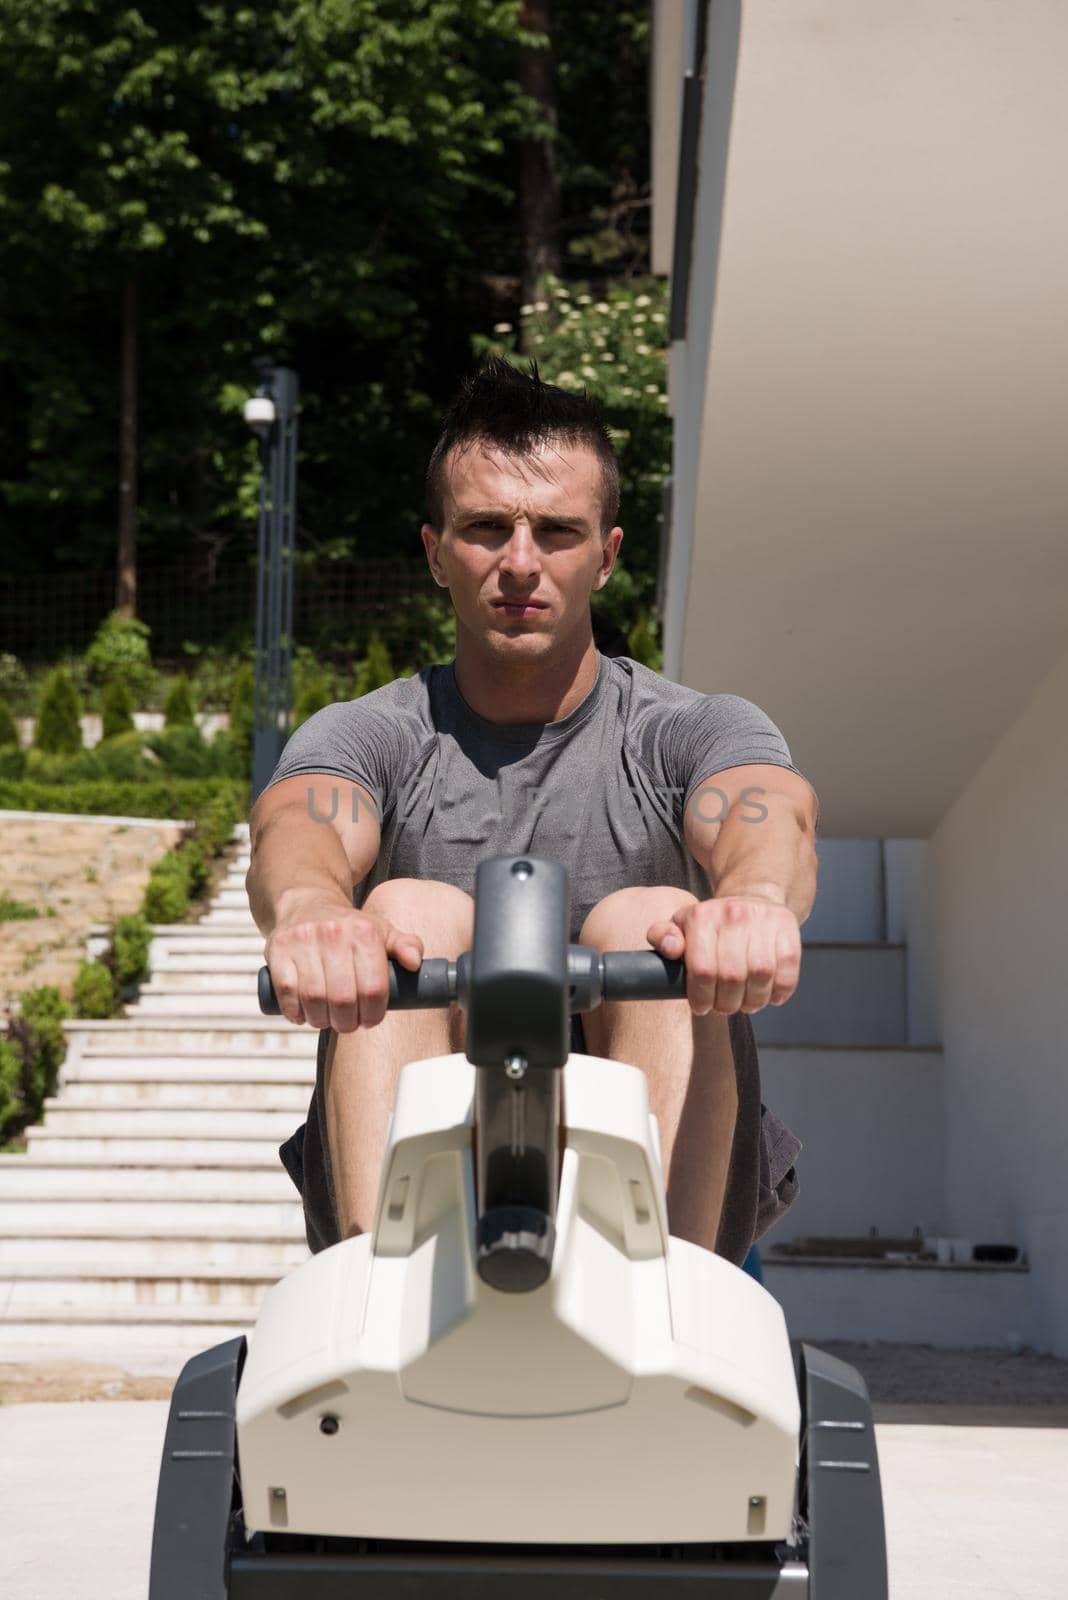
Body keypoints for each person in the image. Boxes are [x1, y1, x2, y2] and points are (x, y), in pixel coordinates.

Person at [247, 355, 819, 1264]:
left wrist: (749, 900)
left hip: (671, 1171)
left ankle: (663, 1308)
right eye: (485, 528)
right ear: (436, 552)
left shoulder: (689, 729)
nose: (520, 562)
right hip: (432, 1172)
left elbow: (766, 816)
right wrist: (316, 912)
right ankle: (375, 1292)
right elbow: (301, 828)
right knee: (406, 913)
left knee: (652, 921)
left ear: (608, 555)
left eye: (556, 530)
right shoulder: (373, 734)